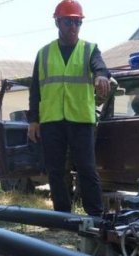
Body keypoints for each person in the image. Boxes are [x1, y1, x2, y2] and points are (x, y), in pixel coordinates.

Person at [27, 0, 111, 216]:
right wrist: (33, 121)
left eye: (77, 22)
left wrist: (101, 76)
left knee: (86, 169)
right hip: (51, 120)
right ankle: (62, 215)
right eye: (68, 22)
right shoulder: (43, 54)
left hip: (81, 119)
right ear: (57, 22)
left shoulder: (90, 49)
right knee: (55, 171)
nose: (73, 27)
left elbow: (100, 68)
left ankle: (95, 216)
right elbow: (35, 89)